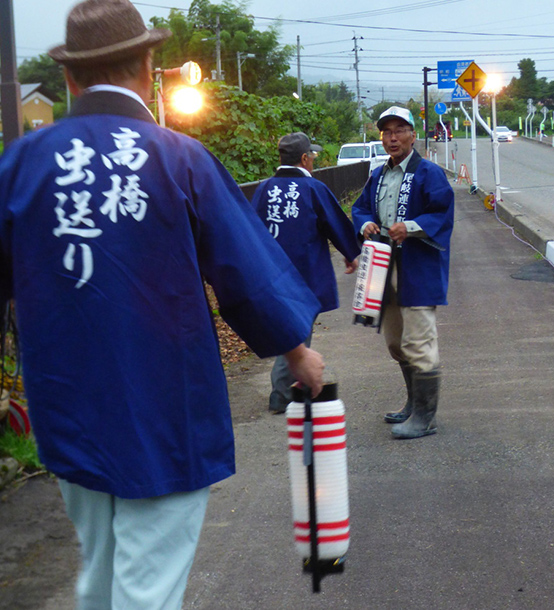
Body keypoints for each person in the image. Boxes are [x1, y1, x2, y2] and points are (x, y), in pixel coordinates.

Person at [0, 1, 325, 608]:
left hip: (66, 404)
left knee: (101, 571)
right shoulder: (179, 157)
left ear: (69, 77)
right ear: (150, 66)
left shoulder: (20, 163)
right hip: (164, 403)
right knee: (147, 587)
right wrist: (296, 350)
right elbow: (245, 276)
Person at [352, 106, 454, 439]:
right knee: (395, 340)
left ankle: (426, 417)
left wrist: (409, 227)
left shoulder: (429, 173)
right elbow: (361, 206)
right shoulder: (379, 175)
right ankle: (413, 404)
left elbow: (441, 212)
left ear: (413, 134)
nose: (392, 138)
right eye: (386, 132)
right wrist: (366, 223)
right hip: (383, 264)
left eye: (399, 131)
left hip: (417, 264)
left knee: (419, 340)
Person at [250, 132, 361, 413]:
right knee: (298, 331)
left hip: (272, 274)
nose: (313, 161)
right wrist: (351, 253)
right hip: (305, 274)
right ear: (303, 158)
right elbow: (334, 222)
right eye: (312, 156)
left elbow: (249, 229)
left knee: (288, 327)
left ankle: (285, 389)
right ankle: (283, 393)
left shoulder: (264, 188)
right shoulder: (313, 189)